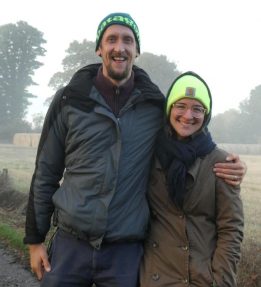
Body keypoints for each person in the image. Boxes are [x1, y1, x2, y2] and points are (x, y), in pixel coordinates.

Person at [23, 12, 246, 287]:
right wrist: (35, 240)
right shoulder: (70, 99)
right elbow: (46, 170)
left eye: (128, 40)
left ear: (137, 51)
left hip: (124, 253)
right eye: (112, 39)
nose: (120, 47)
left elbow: (189, 134)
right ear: (99, 48)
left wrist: (229, 163)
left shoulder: (154, 107)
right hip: (71, 244)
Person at [140, 71, 244, 287]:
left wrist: (221, 281)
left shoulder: (222, 162)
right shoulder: (148, 155)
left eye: (197, 108)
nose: (188, 115)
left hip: (200, 279)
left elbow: (231, 229)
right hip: (154, 276)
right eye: (181, 106)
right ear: (169, 109)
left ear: (206, 115)